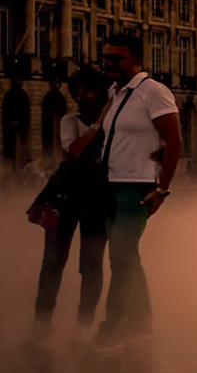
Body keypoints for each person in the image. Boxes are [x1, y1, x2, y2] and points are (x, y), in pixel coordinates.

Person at [86, 32, 181, 346]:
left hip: (136, 187)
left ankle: (115, 326)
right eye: (106, 57)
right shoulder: (116, 93)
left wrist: (162, 189)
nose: (109, 63)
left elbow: (174, 140)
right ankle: (141, 323)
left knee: (122, 255)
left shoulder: (153, 91)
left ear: (137, 59)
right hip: (110, 186)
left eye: (117, 58)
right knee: (126, 258)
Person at [27, 68, 110, 333]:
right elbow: (73, 152)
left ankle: (83, 326)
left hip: (97, 199)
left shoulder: (114, 125)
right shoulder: (69, 120)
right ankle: (42, 325)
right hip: (66, 198)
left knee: (92, 265)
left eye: (88, 90)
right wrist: (99, 124)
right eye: (77, 91)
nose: (82, 96)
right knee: (52, 262)